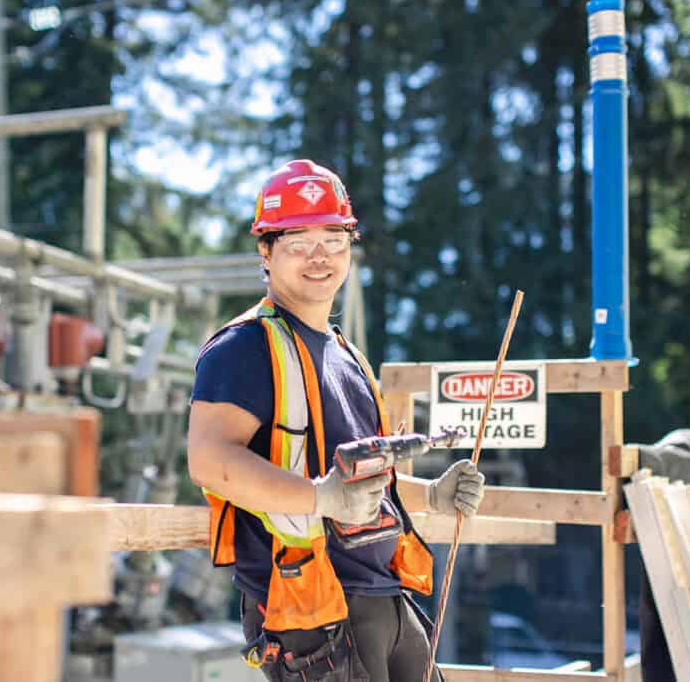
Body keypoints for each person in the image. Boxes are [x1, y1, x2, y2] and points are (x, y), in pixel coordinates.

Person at [187, 159, 485, 682]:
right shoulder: (245, 347)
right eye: (298, 241)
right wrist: (319, 499)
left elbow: (363, 485)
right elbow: (210, 461)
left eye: (333, 237)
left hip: (381, 598)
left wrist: (431, 495)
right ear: (266, 250)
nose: (319, 256)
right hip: (309, 616)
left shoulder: (347, 357)